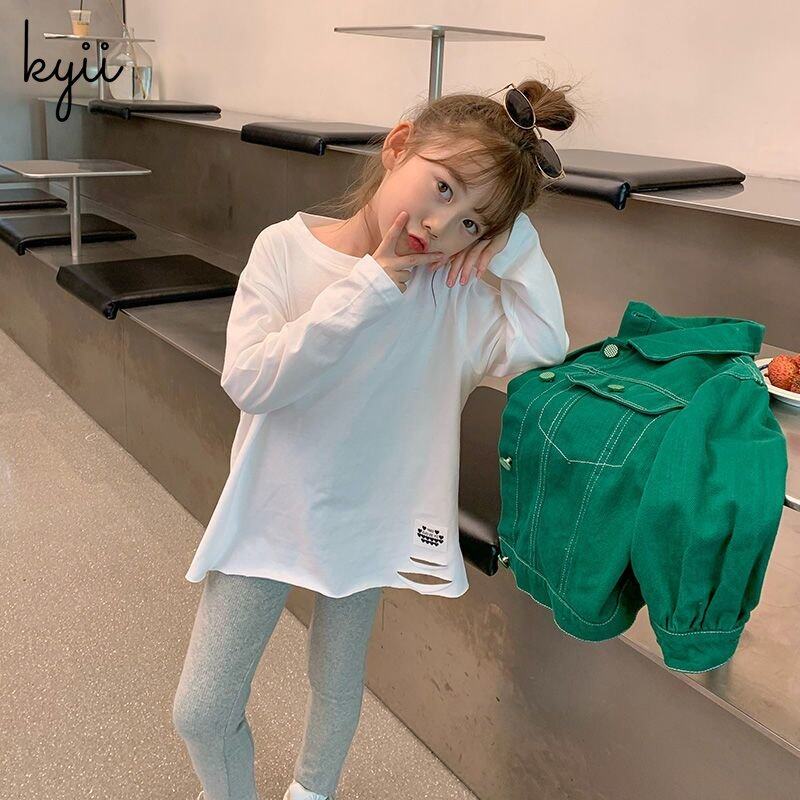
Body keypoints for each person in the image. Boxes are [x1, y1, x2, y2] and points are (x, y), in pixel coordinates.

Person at [172, 77, 580, 800]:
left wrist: (514, 244)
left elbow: (544, 347)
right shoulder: (285, 250)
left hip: (370, 517)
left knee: (335, 680)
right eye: (444, 187)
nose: (441, 224)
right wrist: (371, 285)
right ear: (398, 147)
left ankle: (313, 792)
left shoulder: (452, 295)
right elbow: (253, 381)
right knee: (202, 711)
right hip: (270, 509)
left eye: (472, 223)